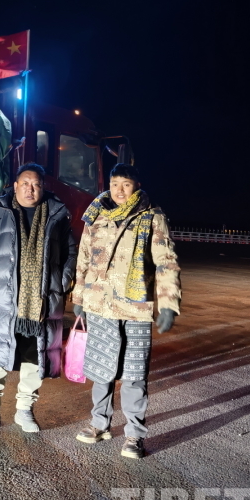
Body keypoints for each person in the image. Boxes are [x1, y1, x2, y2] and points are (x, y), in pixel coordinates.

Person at [72, 163, 180, 459]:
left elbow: (166, 261)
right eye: (115, 184)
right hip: (99, 305)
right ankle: (99, 424)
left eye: (126, 184)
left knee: (134, 374)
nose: (119, 190)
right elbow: (84, 258)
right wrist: (79, 296)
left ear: (137, 186)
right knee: (101, 371)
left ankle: (134, 434)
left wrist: (168, 303)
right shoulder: (96, 214)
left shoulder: (152, 216)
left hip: (135, 308)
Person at [0, 163, 77, 433]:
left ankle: (24, 409)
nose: (30, 189)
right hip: (4, 298)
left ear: (43, 187)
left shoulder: (57, 216)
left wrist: (62, 281)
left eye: (36, 184)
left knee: (35, 355)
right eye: (25, 184)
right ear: (15, 186)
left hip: (41, 301)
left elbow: (71, 253)